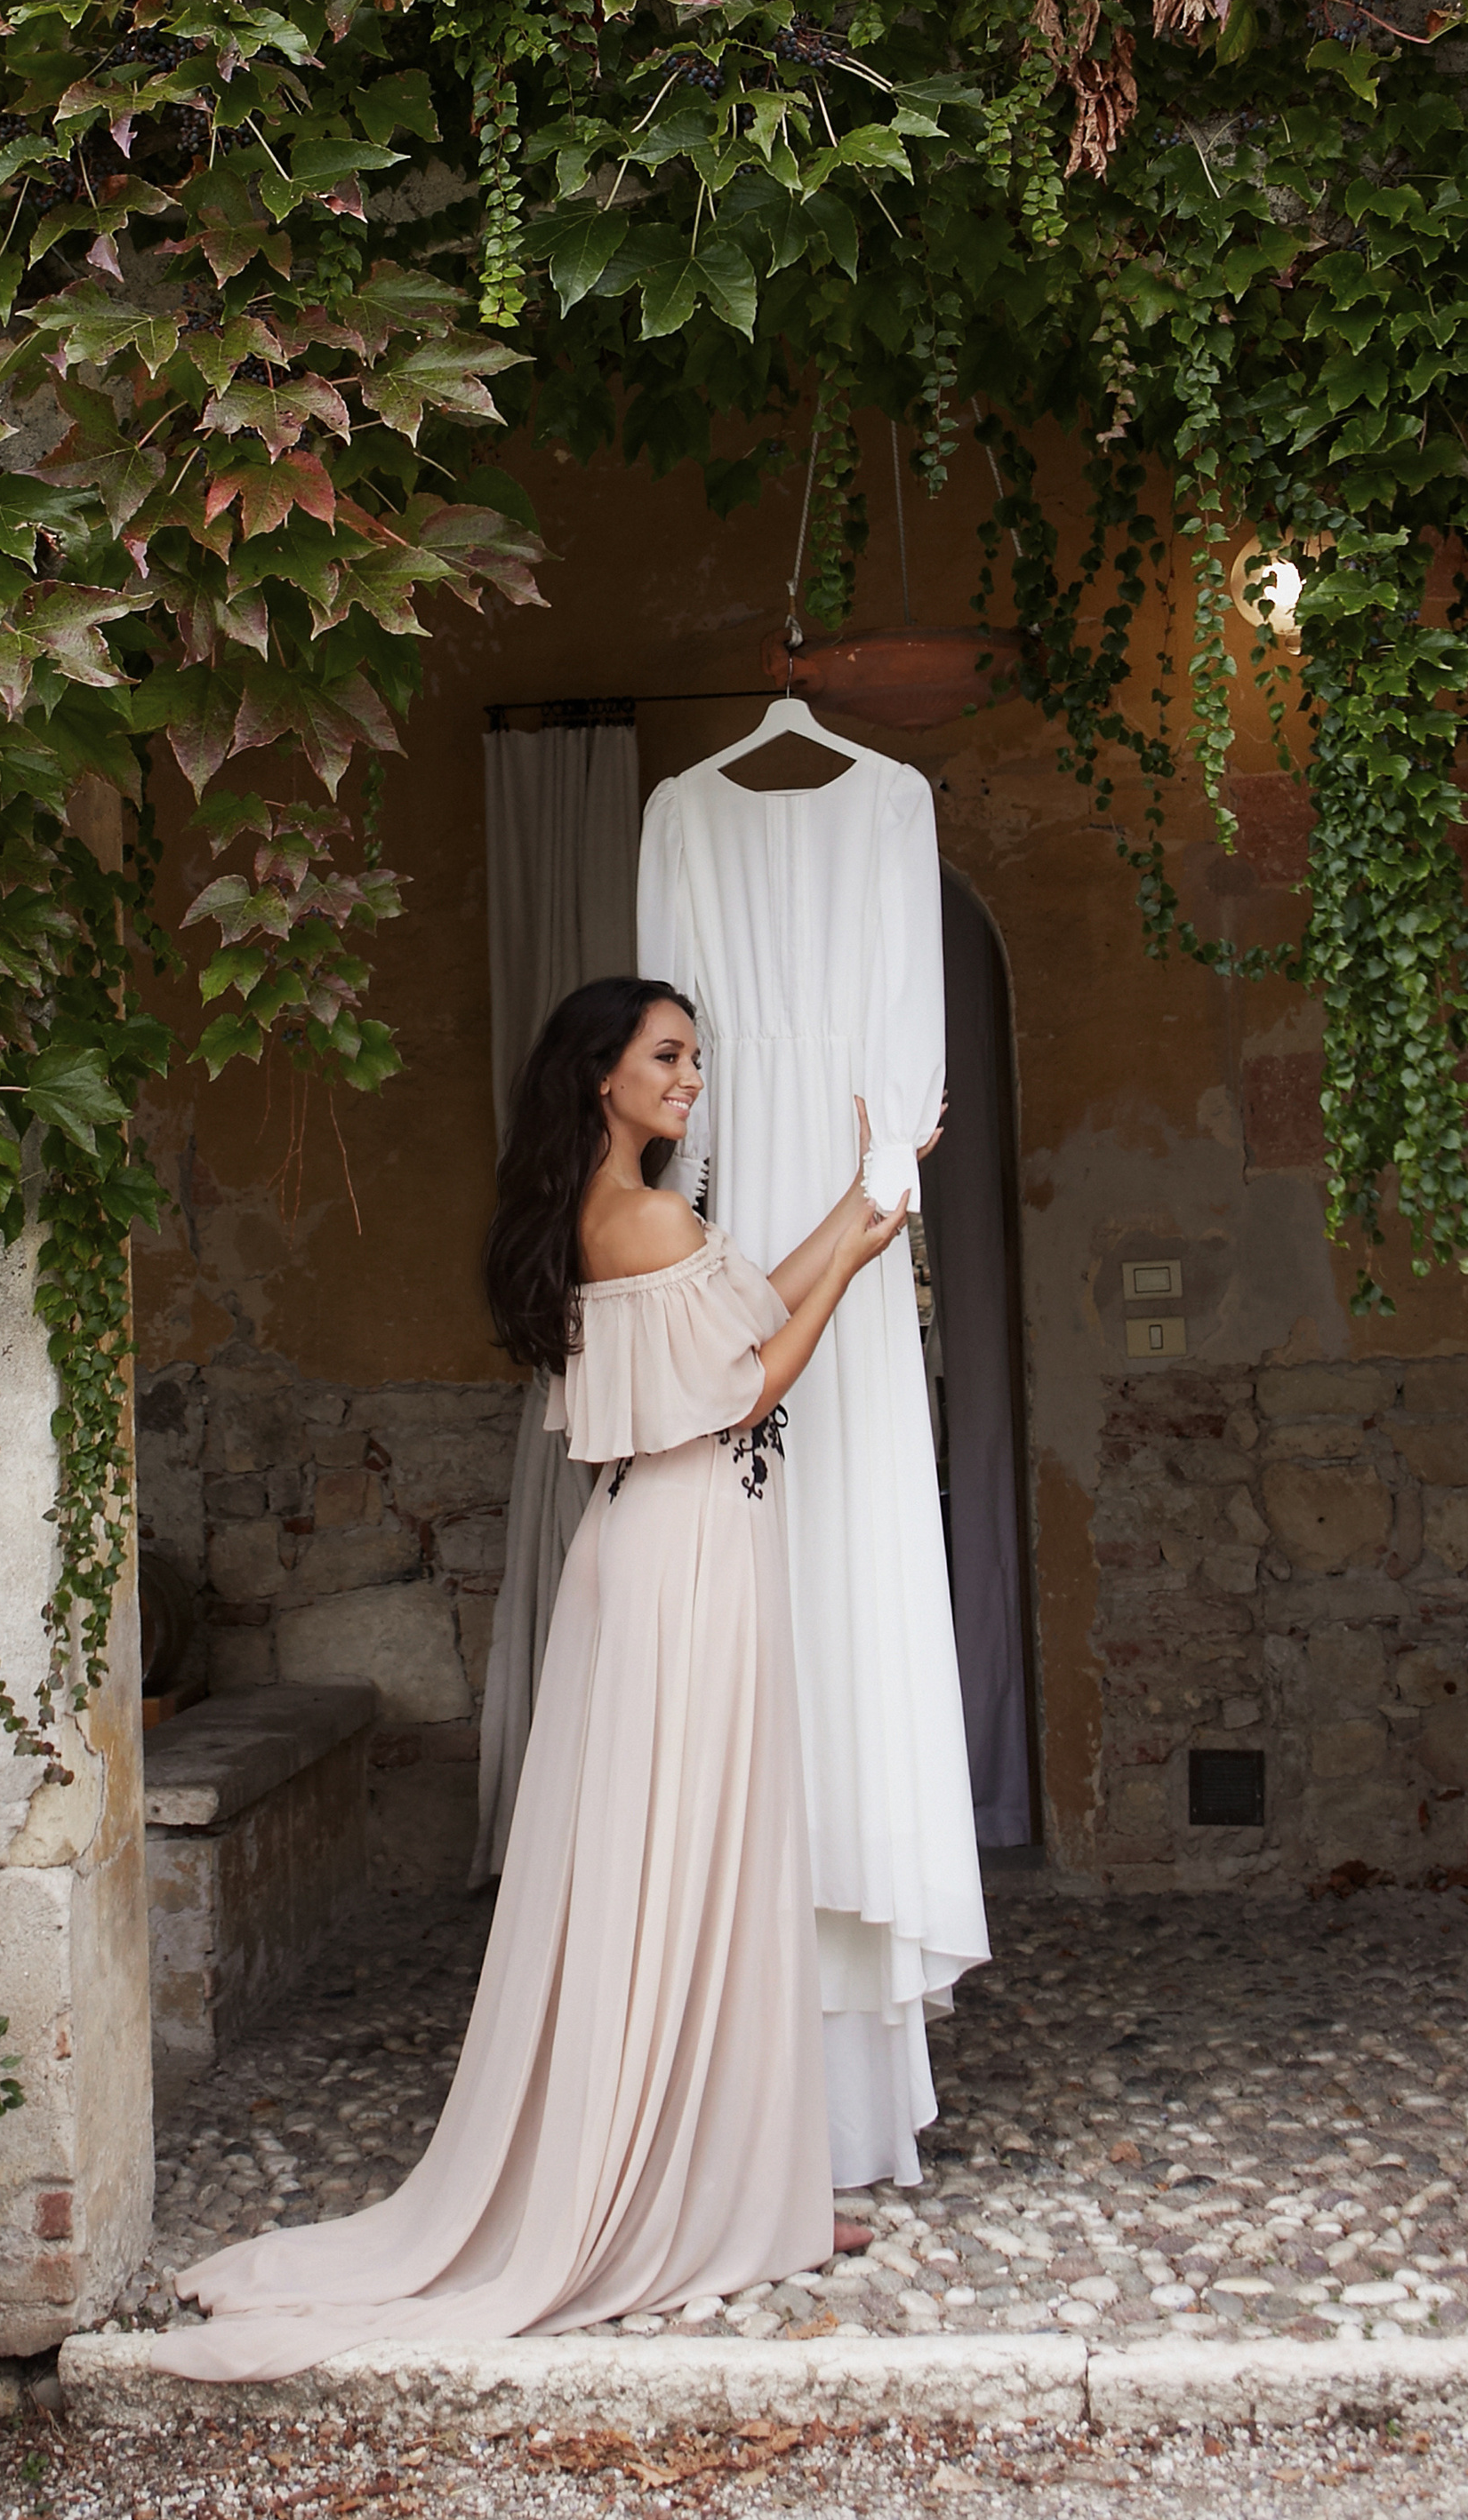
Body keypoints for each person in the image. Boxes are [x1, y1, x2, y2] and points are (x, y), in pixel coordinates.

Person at [149, 974, 912, 2378]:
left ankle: (733, 2190)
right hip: (686, 1555)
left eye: (696, 1054)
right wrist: (865, 1266)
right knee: (686, 1863)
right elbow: (747, 1384)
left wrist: (865, 1213)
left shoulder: (624, 1217)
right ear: (602, 1074)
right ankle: (685, 2195)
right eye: (670, 1054)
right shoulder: (645, 1217)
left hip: (679, 1546)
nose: (692, 1075)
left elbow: (749, 1304)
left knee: (695, 1862)